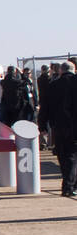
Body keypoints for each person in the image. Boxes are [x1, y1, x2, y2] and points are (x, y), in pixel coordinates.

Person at [38, 60, 77, 197]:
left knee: (63, 155)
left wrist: (42, 125)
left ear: (60, 71)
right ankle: (69, 185)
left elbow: (45, 106)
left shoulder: (53, 85)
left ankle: (68, 182)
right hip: (74, 125)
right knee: (72, 156)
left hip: (58, 126)